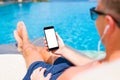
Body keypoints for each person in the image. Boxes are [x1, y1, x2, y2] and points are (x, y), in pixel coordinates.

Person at [14, 0, 120, 80]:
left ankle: (25, 43)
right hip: (75, 66)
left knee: (34, 60)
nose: (95, 20)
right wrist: (63, 50)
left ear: (108, 24)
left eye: (94, 13)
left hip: (48, 76)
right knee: (47, 53)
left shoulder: (71, 76)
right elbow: (97, 65)